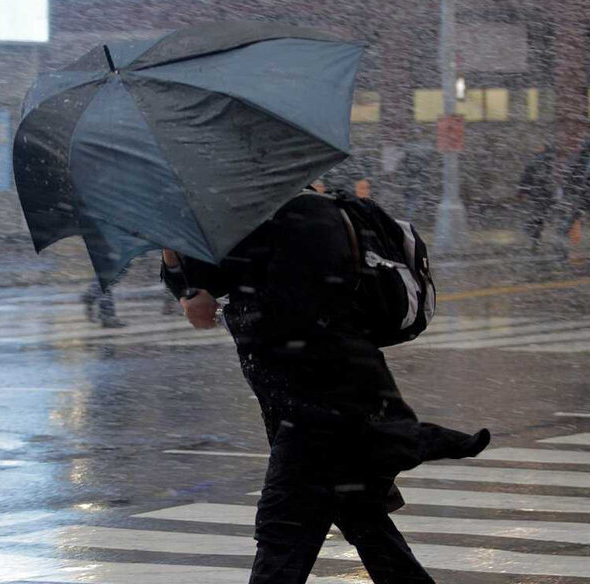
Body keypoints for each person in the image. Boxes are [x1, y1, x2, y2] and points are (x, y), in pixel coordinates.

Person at [161, 188, 490, 584]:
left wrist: (222, 309)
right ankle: (413, 440)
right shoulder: (247, 216)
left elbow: (297, 316)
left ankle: (411, 439)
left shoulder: (309, 216)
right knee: (364, 521)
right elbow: (210, 280)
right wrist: (176, 262)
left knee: (282, 534)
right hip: (305, 400)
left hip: (324, 401)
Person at [517, 144, 556, 251]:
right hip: (545, 195)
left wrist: (522, 190)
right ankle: (535, 238)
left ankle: (533, 236)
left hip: (538, 194)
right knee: (540, 217)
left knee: (537, 217)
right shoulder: (549, 162)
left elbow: (526, 176)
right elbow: (548, 180)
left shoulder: (537, 161)